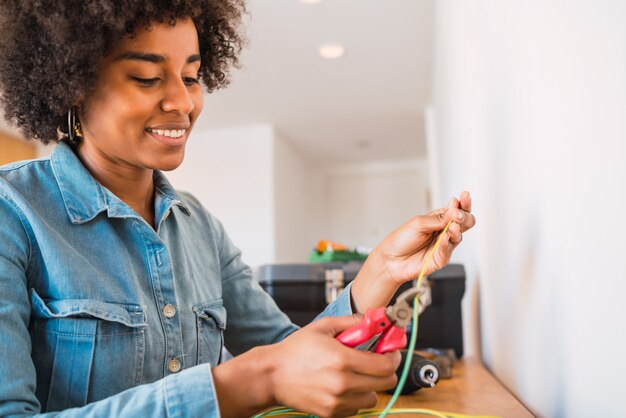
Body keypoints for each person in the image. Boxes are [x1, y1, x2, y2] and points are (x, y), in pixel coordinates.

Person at [0, 2, 476, 417]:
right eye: (147, 77)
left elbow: (290, 353)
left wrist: (379, 273)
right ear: (71, 85)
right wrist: (251, 382)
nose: (183, 102)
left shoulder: (199, 226)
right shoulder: (13, 214)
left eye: (192, 76)